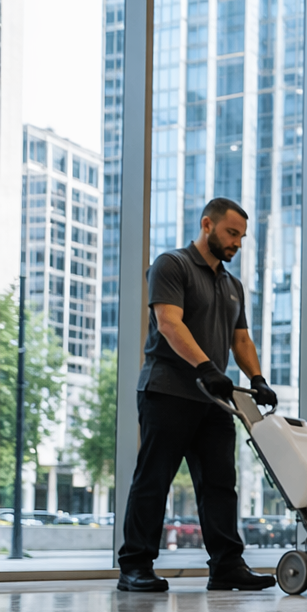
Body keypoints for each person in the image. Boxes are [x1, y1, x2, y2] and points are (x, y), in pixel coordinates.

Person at [117, 198, 280, 592]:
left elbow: (241, 339)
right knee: (153, 480)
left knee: (221, 484)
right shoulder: (171, 265)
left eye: (241, 236)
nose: (237, 243)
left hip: (214, 400)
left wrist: (256, 378)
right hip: (167, 391)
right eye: (231, 233)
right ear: (208, 224)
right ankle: (134, 567)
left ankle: (226, 567)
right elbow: (168, 323)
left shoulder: (232, 284)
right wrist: (207, 367)